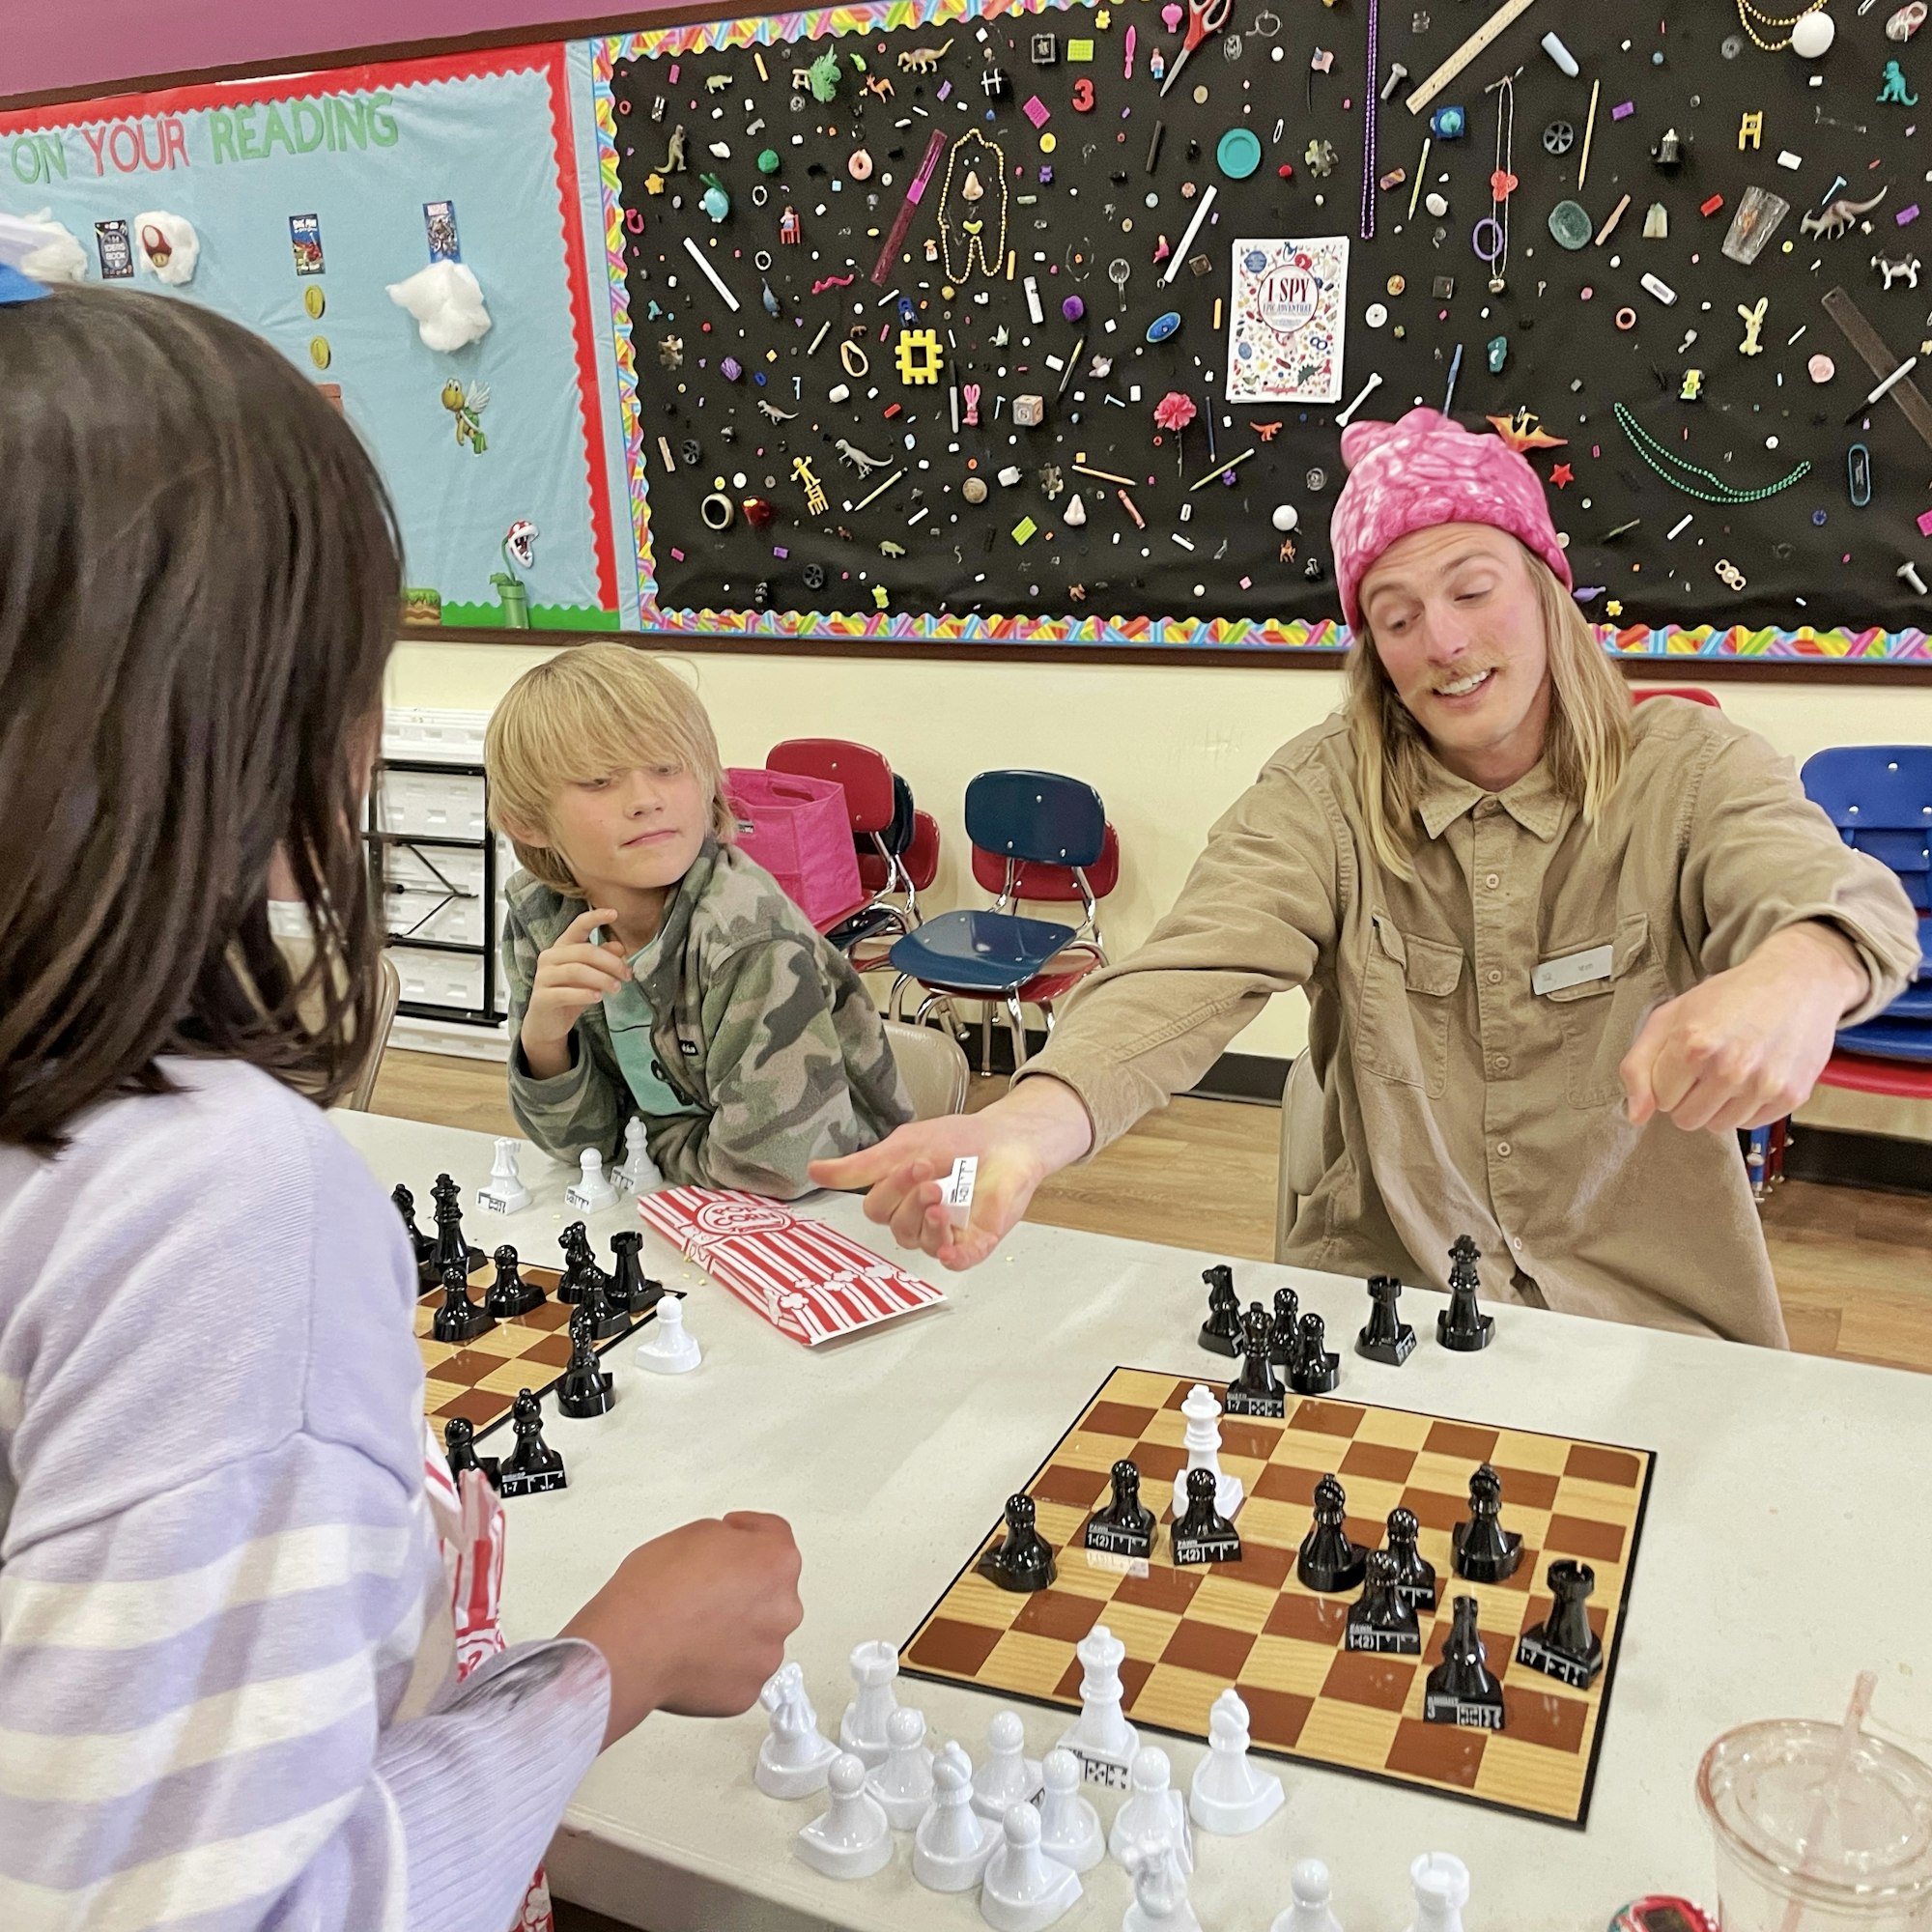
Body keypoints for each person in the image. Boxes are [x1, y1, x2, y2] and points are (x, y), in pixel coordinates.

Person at [0, 274, 802, 1929]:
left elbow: (752, 1175)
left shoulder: (747, 930)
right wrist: (617, 1662)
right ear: (265, 714)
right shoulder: (205, 1195)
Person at [814, 409, 1921, 1344]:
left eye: (1472, 588)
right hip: (1381, 1311)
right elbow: (1190, 968)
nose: (1440, 640)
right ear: (1370, 651)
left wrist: (1795, 970)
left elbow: (1836, 895)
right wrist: (1033, 1119)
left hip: (1651, 1320)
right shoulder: (1320, 792)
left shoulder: (1689, 768)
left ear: (1545, 590)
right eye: (1395, 616)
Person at [486, 643, 911, 1199]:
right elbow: (578, 1149)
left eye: (667, 767)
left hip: (843, 1219)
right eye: (597, 780)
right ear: (528, 822)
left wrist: (636, 1153)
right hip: (685, 1208)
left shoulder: (748, 937)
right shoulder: (541, 919)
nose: (644, 800)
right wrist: (545, 1043)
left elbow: (771, 1170)